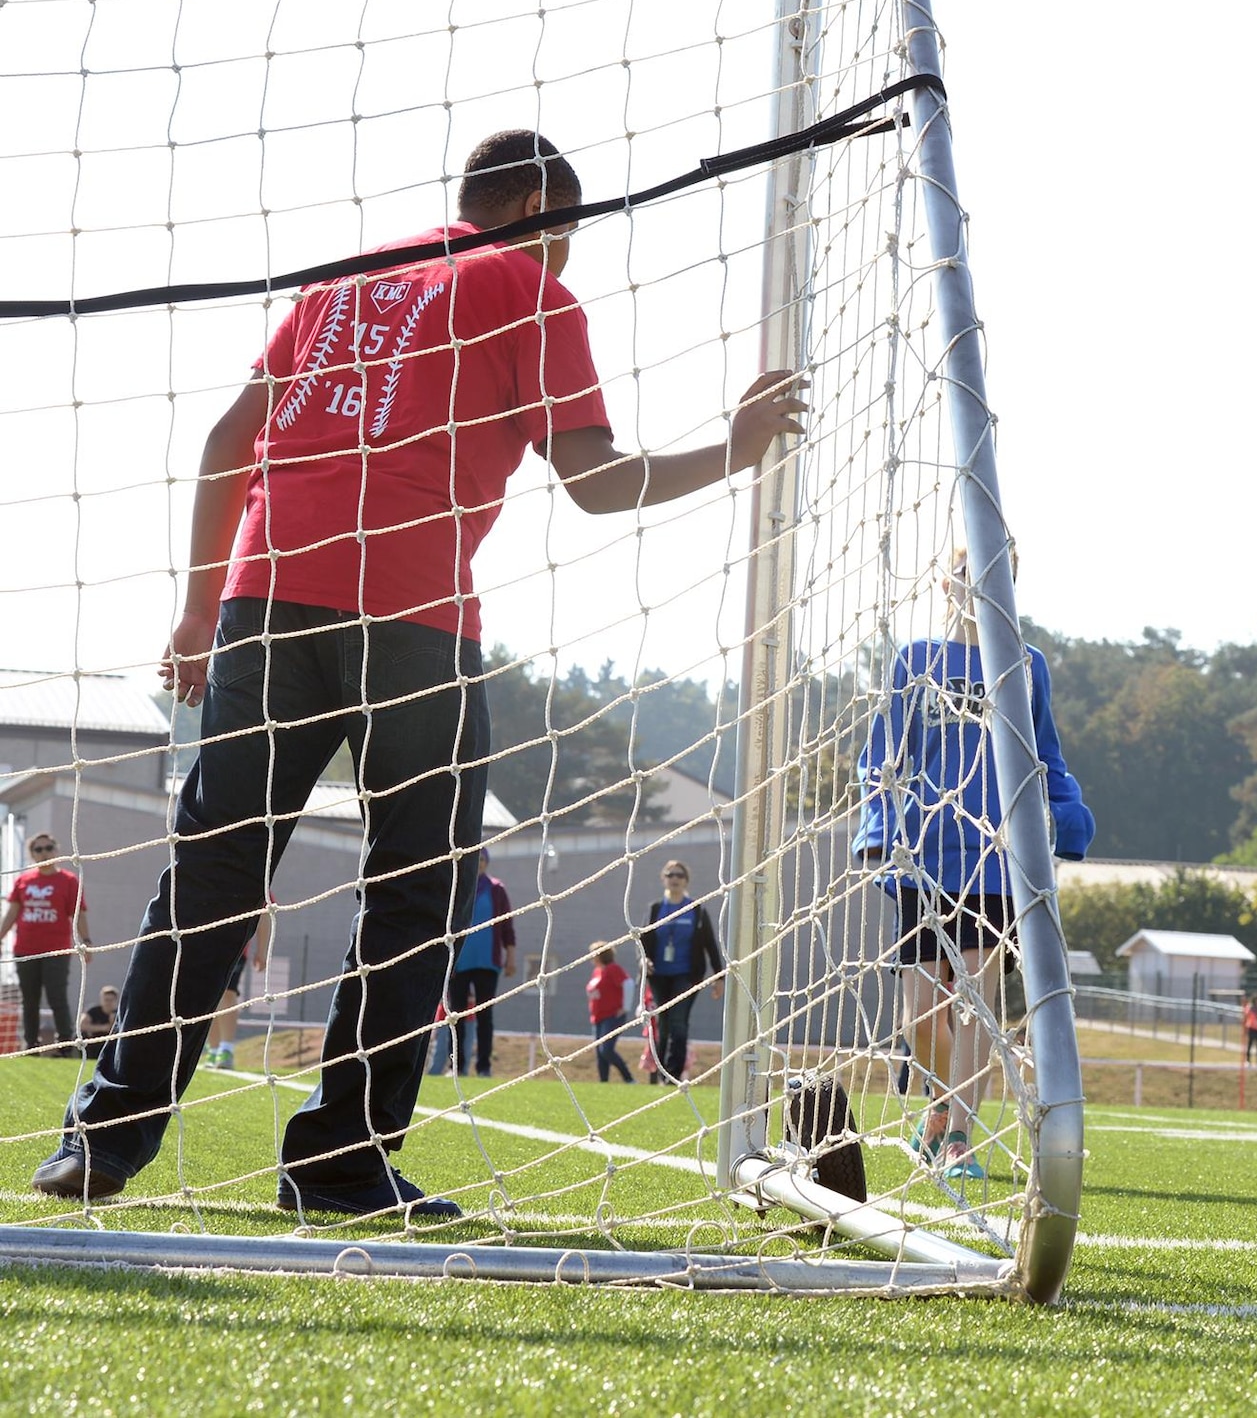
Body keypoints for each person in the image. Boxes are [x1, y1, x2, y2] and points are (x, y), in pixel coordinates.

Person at [30, 129, 805, 1214]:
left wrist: (200, 611)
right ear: (539, 209)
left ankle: (98, 1144)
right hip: (407, 613)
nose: (566, 258)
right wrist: (736, 447)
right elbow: (592, 479)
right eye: (567, 234)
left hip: (264, 595)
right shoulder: (526, 285)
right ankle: (342, 1158)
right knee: (414, 888)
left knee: (211, 875)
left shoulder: (341, 281)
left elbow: (223, 442)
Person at [856, 546, 1094, 1180]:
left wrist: (1068, 815)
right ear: (946, 581)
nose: (982, 585)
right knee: (921, 1015)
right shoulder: (915, 660)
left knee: (977, 1005)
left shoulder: (1026, 664)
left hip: (995, 861)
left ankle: (959, 1138)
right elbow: (882, 757)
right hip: (923, 860)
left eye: (997, 575)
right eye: (970, 574)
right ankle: (938, 1111)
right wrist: (878, 826)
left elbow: (1047, 755)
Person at [0, 833, 92, 1055]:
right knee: (29, 999)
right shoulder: (23, 881)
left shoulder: (69, 881)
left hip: (56, 950)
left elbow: (78, 914)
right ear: (32, 854)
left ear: (56, 850)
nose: (44, 853)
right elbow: (12, 912)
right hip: (25, 950)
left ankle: (65, 1046)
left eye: (48, 848)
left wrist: (86, 941)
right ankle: (31, 1046)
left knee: (56, 997)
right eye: (38, 849)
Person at [640, 860, 723, 1083]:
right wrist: (644, 960)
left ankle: (673, 1076)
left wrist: (719, 976)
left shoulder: (696, 909)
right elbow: (643, 941)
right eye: (670, 874)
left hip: (687, 975)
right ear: (663, 879)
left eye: (679, 875)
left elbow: (710, 944)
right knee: (663, 1025)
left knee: (678, 1021)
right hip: (658, 975)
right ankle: (658, 1073)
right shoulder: (656, 909)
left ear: (686, 880)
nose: (674, 878)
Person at [448, 850, 517, 1078]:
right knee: (455, 1016)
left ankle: (484, 1066)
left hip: (487, 963)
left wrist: (511, 958)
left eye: (482, 860)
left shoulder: (497, 889)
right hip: (458, 964)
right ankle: (456, 1067)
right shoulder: (457, 888)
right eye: (475, 860)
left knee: (484, 1016)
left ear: (487, 863)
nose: (478, 864)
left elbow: (507, 927)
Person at [207, 906, 272, 1070]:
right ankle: (213, 1050)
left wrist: (262, 951)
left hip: (233, 947)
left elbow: (265, 912)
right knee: (207, 997)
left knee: (227, 992)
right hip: (204, 946)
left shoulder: (255, 880)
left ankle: (226, 1050)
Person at [585, 943, 635, 1084]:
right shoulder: (597, 971)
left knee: (606, 1049)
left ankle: (629, 1079)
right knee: (600, 1054)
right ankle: (603, 1083)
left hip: (612, 1016)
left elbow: (628, 984)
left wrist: (625, 1007)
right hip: (598, 1017)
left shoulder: (613, 969)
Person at [79, 987, 118, 1060]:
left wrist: (112, 1022)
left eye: (111, 1000)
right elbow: (81, 1025)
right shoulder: (93, 1011)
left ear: (116, 1001)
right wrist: (102, 1027)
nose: (108, 1003)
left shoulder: (118, 1013)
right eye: (106, 1000)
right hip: (93, 1040)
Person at [1242, 994, 1257, 1067]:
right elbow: (1245, 1017)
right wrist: (1244, 1028)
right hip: (1251, 1028)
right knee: (1250, 1045)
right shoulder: (1250, 1007)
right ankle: (1248, 1060)